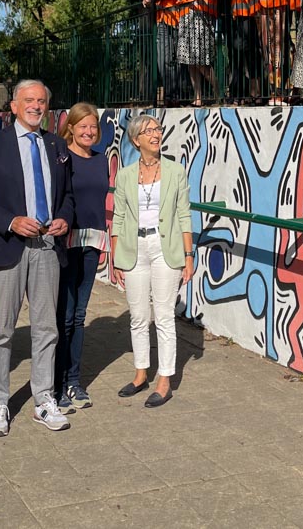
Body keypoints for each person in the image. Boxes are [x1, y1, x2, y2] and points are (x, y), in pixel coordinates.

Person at [0, 80, 74, 436]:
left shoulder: (57, 145)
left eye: (41, 101)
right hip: (7, 247)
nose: (35, 106)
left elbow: (68, 197)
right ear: (13, 106)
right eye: (29, 100)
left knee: (46, 329)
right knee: (2, 331)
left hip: (47, 247)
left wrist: (64, 218)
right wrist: (11, 221)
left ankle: (43, 399)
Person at [111, 114, 193, 408]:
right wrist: (115, 255)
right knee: (138, 316)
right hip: (134, 248)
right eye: (148, 131)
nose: (155, 134)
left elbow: (184, 214)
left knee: (164, 315)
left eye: (157, 129)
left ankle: (164, 379)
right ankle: (140, 373)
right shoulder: (124, 175)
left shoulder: (175, 171)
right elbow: (118, 217)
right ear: (136, 140)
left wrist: (188, 255)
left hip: (165, 247)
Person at [54, 103, 110, 413]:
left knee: (78, 316)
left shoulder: (101, 161)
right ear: (71, 128)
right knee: (64, 316)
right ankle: (57, 383)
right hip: (66, 241)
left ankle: (74, 381)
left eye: (93, 127)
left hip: (93, 242)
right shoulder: (61, 158)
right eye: (83, 126)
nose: (88, 131)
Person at [142, 0, 182, 105]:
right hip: (161, 17)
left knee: (178, 58)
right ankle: (170, 94)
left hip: (178, 15)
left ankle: (177, 95)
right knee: (163, 59)